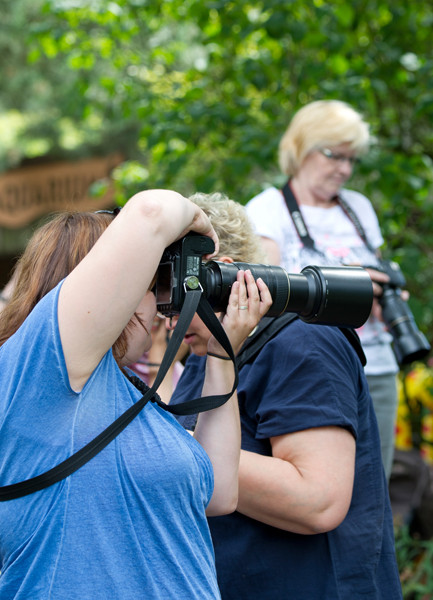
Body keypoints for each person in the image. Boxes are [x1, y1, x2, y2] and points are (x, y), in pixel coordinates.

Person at [0, 190, 272, 600]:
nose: (164, 304)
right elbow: (151, 211)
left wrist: (220, 355)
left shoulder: (122, 388)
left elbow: (218, 493)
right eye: (153, 284)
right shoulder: (41, 368)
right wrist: (203, 231)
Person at [170, 192, 402, 600]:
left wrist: (174, 449)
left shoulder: (303, 341)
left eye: (176, 295)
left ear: (220, 279)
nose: (167, 318)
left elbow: (317, 500)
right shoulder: (206, 353)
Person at [246, 99, 399, 480]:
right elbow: (267, 298)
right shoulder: (268, 210)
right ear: (303, 147)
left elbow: (376, 275)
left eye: (352, 159)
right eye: (335, 156)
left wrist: (382, 294)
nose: (344, 169)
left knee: (375, 485)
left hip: (376, 363)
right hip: (310, 370)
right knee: (322, 484)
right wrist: (343, 282)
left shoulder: (358, 207)